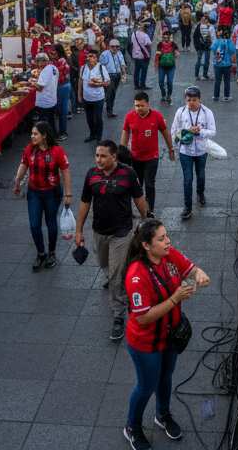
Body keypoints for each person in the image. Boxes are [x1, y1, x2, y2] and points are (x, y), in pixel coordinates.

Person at [121, 218, 212, 450]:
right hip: (146, 343)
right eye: (161, 239)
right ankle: (132, 427)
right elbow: (142, 318)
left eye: (167, 236)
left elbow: (191, 269)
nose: (168, 241)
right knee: (146, 386)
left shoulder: (168, 255)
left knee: (165, 377)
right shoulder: (136, 275)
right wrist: (175, 299)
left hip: (169, 337)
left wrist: (199, 275)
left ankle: (162, 415)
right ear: (146, 245)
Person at [75, 140, 150, 342]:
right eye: (97, 155)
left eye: (103, 156)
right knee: (104, 264)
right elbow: (85, 202)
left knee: (116, 275)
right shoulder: (91, 175)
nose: (98, 160)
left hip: (122, 232)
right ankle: (120, 282)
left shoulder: (128, 174)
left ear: (114, 157)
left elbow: (139, 199)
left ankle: (118, 314)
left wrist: (146, 221)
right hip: (99, 231)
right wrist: (79, 230)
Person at [12, 121, 72, 271]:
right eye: (32, 134)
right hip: (34, 193)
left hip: (52, 193)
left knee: (51, 223)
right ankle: (40, 253)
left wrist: (68, 194)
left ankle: (51, 253)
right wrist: (17, 181)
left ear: (44, 135)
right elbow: (23, 164)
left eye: (35, 134)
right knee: (34, 225)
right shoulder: (29, 149)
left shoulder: (57, 151)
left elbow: (65, 171)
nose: (32, 136)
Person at [122, 92, 176, 211]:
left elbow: (165, 132)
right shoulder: (130, 116)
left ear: (148, 104)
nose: (139, 108)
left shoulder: (157, 116)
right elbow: (125, 132)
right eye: (136, 106)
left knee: (150, 184)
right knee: (136, 185)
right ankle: (136, 209)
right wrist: (122, 150)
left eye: (141, 105)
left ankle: (150, 210)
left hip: (152, 157)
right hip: (135, 158)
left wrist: (171, 148)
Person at [170, 87, 216, 220]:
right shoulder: (180, 112)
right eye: (188, 100)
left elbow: (213, 131)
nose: (191, 103)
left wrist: (200, 131)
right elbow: (173, 131)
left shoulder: (207, 112)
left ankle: (200, 193)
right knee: (188, 179)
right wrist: (187, 131)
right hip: (185, 151)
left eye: (194, 100)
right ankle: (187, 207)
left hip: (202, 150)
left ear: (200, 100)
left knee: (201, 175)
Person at [80, 49, 110, 141]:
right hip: (86, 98)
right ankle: (92, 134)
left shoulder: (101, 67)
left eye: (92, 56)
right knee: (89, 119)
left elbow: (107, 82)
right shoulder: (83, 68)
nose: (90, 58)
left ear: (97, 58)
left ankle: (99, 137)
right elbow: (80, 81)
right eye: (89, 56)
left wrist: (97, 84)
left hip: (98, 98)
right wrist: (79, 95)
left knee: (98, 118)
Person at [32, 52, 60, 129]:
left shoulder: (45, 71)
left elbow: (40, 88)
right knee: (51, 121)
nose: (38, 64)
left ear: (43, 61)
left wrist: (32, 83)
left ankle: (48, 135)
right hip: (52, 99)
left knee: (44, 125)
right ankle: (53, 134)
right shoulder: (54, 67)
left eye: (38, 62)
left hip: (45, 102)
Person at [101, 39, 127, 118]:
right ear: (109, 47)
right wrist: (104, 77)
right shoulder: (104, 54)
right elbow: (101, 66)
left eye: (117, 46)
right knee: (110, 93)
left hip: (117, 75)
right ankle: (109, 110)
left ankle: (109, 108)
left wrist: (124, 74)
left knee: (113, 93)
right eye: (113, 46)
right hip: (109, 76)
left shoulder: (119, 53)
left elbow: (122, 64)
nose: (115, 48)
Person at [210, 25, 235, 102]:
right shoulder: (229, 41)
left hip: (217, 64)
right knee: (227, 81)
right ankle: (226, 96)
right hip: (227, 64)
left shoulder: (216, 41)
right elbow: (232, 51)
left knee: (217, 81)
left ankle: (216, 96)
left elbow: (213, 49)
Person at [155, 31, 178, 104]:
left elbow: (177, 53)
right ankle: (163, 94)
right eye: (164, 37)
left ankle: (168, 95)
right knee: (160, 82)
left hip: (171, 66)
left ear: (169, 37)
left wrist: (176, 53)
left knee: (170, 82)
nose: (166, 39)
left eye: (167, 37)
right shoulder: (160, 45)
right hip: (161, 66)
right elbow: (157, 55)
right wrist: (156, 64)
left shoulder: (173, 44)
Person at [131, 23, 154, 91]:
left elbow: (132, 43)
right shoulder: (145, 35)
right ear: (145, 29)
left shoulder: (134, 34)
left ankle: (136, 85)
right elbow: (148, 44)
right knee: (144, 71)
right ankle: (142, 85)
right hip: (143, 55)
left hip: (135, 55)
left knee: (136, 70)